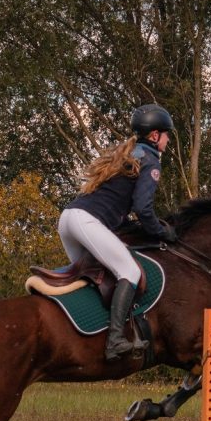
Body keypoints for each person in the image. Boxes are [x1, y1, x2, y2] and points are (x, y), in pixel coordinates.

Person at [58, 103, 177, 360]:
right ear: (155, 136)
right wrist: (161, 232)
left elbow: (120, 211)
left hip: (69, 219)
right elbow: (143, 209)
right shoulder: (151, 160)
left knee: (94, 275)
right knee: (130, 271)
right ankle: (114, 341)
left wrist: (136, 227)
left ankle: (84, 334)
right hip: (87, 221)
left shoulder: (129, 154)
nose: (168, 140)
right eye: (167, 134)